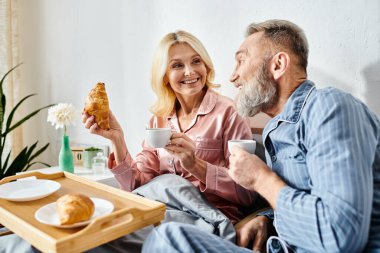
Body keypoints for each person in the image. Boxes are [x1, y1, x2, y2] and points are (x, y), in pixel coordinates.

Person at [0, 30, 258, 253]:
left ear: (206, 66)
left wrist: (197, 166)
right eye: (177, 65)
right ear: (164, 75)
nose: (190, 72)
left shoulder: (229, 113)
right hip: (156, 209)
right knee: (66, 234)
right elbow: (137, 185)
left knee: (98, 240)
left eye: (196, 61)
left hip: (202, 219)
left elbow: (249, 193)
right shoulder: (158, 119)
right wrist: (117, 140)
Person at [141, 20, 380, 253]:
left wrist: (260, 179)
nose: (233, 77)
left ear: (278, 65)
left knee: (167, 239)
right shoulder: (278, 129)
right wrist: (267, 218)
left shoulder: (329, 107)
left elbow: (340, 236)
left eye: (241, 61)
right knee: (165, 235)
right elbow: (306, 194)